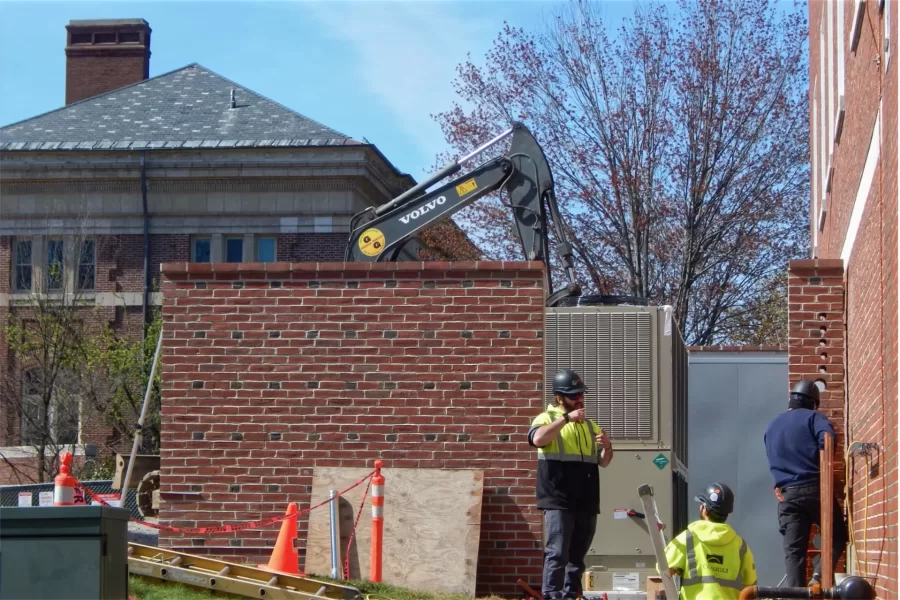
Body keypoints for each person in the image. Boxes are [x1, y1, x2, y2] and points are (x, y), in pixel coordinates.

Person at [528, 368, 613, 600]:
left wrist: (607, 446)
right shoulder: (546, 419)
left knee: (577, 557)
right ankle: (552, 595)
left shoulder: (589, 425)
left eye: (581, 394)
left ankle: (570, 595)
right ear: (559, 397)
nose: (579, 399)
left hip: (586, 501)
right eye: (574, 395)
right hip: (558, 500)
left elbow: (604, 462)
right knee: (557, 553)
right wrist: (566, 419)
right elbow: (537, 439)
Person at [763, 379, 848, 587]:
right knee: (837, 536)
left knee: (794, 552)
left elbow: (774, 457)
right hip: (814, 489)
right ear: (812, 402)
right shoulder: (814, 418)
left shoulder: (772, 425)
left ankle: (796, 595)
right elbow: (827, 439)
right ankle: (817, 578)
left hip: (787, 495)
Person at [661, 482, 757, 599]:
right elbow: (750, 586)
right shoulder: (740, 546)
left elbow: (663, 570)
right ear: (727, 513)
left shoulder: (687, 539)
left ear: (704, 509)